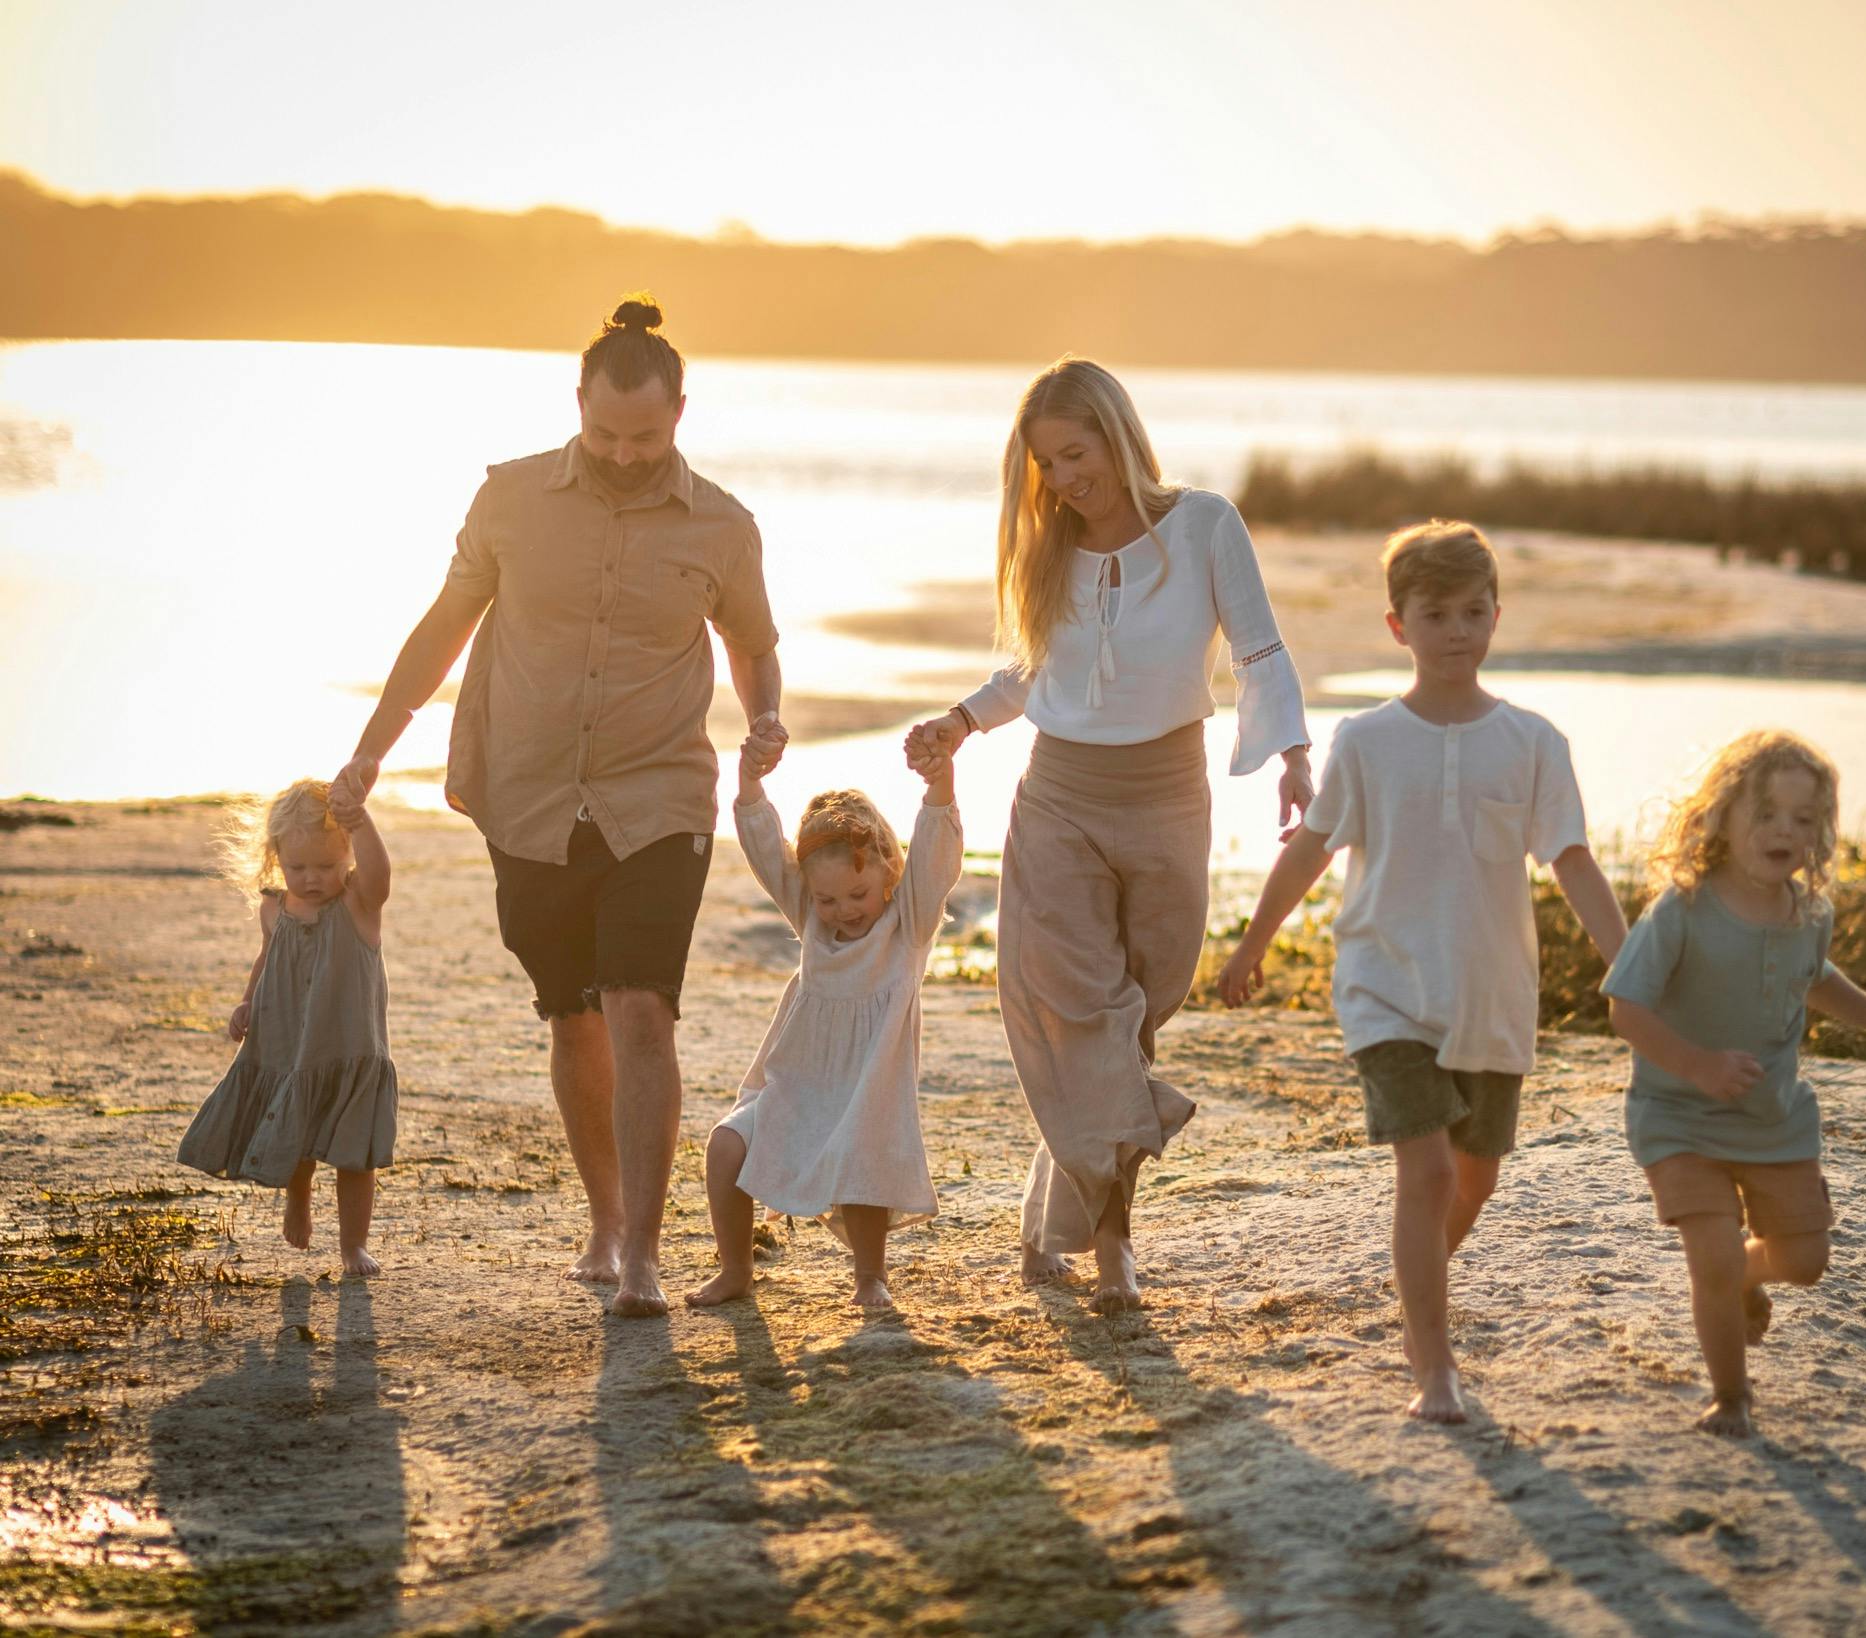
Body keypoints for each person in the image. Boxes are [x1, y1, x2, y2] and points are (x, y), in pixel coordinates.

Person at [330, 294, 785, 1317]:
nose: (624, 455)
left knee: (641, 1011)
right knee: (573, 1017)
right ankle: (607, 1218)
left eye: (646, 437)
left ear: (679, 413)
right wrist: (370, 751)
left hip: (660, 797)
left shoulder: (723, 526)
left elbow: (753, 644)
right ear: (578, 402)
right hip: (528, 795)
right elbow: (443, 628)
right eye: (605, 433)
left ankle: (645, 1257)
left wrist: (765, 719)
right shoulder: (509, 498)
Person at [906, 356, 1314, 1313]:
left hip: (1168, 800)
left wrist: (1294, 755)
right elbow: (1028, 669)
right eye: (1045, 464)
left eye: (1075, 454)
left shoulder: (1204, 525)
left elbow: (1257, 647)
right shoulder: (1048, 546)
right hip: (1059, 799)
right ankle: (1113, 1247)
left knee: (1131, 1021)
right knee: (1083, 1013)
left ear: (1119, 437)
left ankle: (1050, 1218)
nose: (1062, 479)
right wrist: (960, 722)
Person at [1218, 520, 1628, 1422]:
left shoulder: (1534, 742)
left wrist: (1629, 970)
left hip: (1491, 997)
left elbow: (1573, 862)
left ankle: (1416, 1291)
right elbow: (1312, 847)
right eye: (1435, 615)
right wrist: (1252, 943)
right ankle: (1433, 1363)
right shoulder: (1367, 739)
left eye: (1474, 612)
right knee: (1431, 1171)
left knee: (1476, 1177)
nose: (1457, 631)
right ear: (1397, 625)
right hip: (1386, 989)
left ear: (1496, 617)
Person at [1602, 730, 1866, 1438]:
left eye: (1803, 819)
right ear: (1722, 817)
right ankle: (1731, 1397)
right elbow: (1625, 1008)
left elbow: (1815, 977)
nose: (1784, 831)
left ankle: (1746, 1277)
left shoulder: (1811, 913)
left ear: (1821, 830)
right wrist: (1698, 1065)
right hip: (1678, 1116)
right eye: (1766, 814)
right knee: (1711, 1256)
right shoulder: (1681, 909)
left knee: (1804, 1263)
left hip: (1775, 1119)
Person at [685, 736, 963, 1311]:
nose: (844, 911)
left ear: (888, 870)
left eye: (857, 894)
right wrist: (750, 784)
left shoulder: (909, 928)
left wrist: (940, 784)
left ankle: (870, 1277)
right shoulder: (813, 921)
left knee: (861, 1167)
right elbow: (768, 854)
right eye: (828, 899)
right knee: (725, 1147)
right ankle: (736, 1270)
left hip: (867, 1093)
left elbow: (936, 856)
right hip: (797, 1086)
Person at [179, 780, 395, 1276]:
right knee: (296, 1127)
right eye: (298, 867)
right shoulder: (274, 907)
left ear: (348, 854)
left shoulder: (359, 903)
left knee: (355, 1153)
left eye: (327, 866)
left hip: (350, 1047)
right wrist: (247, 1001)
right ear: (276, 856)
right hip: (288, 1043)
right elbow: (266, 958)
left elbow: (380, 872)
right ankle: (298, 1194)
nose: (312, 878)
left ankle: (353, 1246)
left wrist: (360, 818)